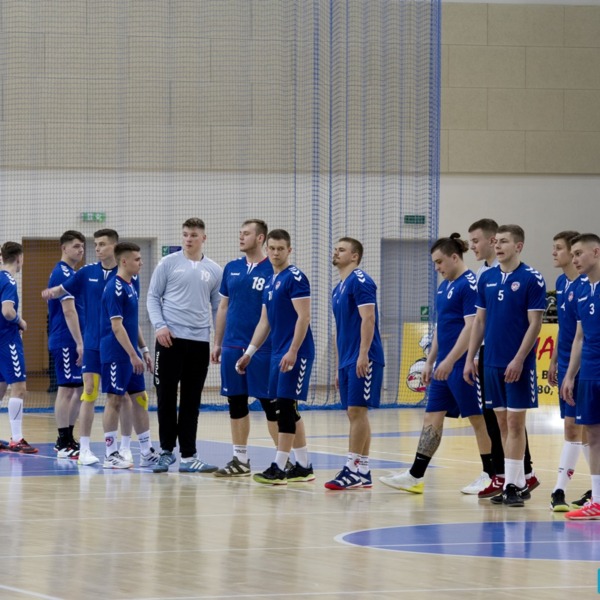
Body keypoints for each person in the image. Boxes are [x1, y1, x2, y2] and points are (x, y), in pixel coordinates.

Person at [380, 234, 492, 494]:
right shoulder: (444, 287)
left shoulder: (469, 285)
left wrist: (451, 360)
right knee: (432, 416)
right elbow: (442, 327)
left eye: (440, 262)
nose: (437, 267)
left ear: (455, 257)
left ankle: (490, 474)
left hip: (463, 366)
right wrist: (430, 361)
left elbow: (471, 327)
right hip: (443, 365)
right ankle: (415, 475)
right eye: (434, 263)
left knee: (478, 419)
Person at [464, 224, 546, 507]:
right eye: (496, 241)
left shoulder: (531, 278)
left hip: (518, 364)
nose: (498, 246)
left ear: (518, 246)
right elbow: (479, 321)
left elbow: (535, 324)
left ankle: (512, 483)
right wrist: (471, 358)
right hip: (491, 363)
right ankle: (518, 482)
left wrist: (519, 359)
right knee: (500, 423)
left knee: (515, 423)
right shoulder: (486, 277)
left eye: (504, 242)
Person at [42, 229, 135, 466]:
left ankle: (123, 449)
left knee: (122, 396)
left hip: (115, 345)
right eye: (96, 244)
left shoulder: (126, 276)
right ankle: (83, 449)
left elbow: (131, 316)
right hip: (93, 344)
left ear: (114, 247)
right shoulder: (86, 272)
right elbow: (64, 289)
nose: (96, 249)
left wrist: (140, 349)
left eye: (102, 244)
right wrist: (52, 292)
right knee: (89, 392)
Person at [236, 229, 315, 485]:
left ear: (289, 250)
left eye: (281, 249)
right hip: (277, 353)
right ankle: (303, 466)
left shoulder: (295, 277)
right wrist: (250, 352)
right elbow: (265, 322)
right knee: (287, 409)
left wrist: (293, 350)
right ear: (267, 249)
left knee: (285, 408)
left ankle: (279, 467)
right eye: (272, 248)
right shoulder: (270, 281)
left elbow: (304, 317)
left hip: (295, 352)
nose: (276, 253)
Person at [147, 218, 223, 473]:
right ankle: (166, 451)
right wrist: (160, 326)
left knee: (192, 400)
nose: (188, 239)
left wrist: (218, 341)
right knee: (166, 397)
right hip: (169, 340)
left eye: (193, 235)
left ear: (204, 238)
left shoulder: (215, 270)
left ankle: (189, 456)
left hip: (199, 342)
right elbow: (152, 297)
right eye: (185, 234)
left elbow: (218, 308)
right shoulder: (168, 263)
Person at [211, 219, 279, 477]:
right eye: (240, 233)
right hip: (232, 345)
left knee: (271, 405)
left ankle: (283, 461)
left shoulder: (272, 269)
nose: (241, 237)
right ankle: (240, 460)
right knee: (236, 403)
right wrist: (218, 342)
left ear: (260, 238)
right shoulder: (232, 268)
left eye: (246, 233)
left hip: (263, 349)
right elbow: (223, 307)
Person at [325, 237, 384, 490]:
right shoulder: (337, 289)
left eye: (342, 250)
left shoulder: (361, 280)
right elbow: (341, 330)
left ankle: (351, 469)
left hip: (364, 357)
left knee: (357, 412)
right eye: (335, 249)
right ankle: (363, 470)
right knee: (354, 413)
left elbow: (368, 318)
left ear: (355, 256)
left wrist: (363, 354)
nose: (336, 252)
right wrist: (339, 366)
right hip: (347, 359)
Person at [100, 242, 157, 469]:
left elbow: (132, 323)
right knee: (114, 399)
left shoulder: (132, 284)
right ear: (124, 261)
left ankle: (146, 451)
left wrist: (144, 350)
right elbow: (117, 327)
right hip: (116, 354)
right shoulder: (114, 287)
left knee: (140, 397)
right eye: (137, 259)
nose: (141, 263)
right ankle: (110, 454)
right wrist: (133, 355)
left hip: (132, 353)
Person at [547, 231, 590, 512]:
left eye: (559, 248)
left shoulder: (587, 284)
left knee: (577, 427)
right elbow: (564, 328)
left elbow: (582, 335)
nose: (555, 253)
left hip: (584, 365)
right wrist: (553, 361)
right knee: (580, 430)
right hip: (565, 363)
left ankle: (559, 490)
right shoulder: (562, 282)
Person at [560, 234, 600, 519]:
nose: (574, 259)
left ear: (596, 252)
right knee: (593, 435)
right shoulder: (582, 290)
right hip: (588, 373)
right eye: (572, 254)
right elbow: (579, 337)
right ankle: (597, 500)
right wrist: (570, 375)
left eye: (578, 253)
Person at [46, 231, 86, 459]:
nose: (81, 250)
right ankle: (62, 441)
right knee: (67, 389)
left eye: (82, 246)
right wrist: (79, 342)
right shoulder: (62, 273)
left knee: (78, 389)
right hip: (65, 339)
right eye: (76, 246)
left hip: (75, 339)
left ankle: (69, 438)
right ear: (64, 248)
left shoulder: (73, 274)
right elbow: (68, 311)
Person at [0, 242, 37, 453]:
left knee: (1, 388)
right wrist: (20, 321)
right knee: (19, 388)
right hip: (8, 341)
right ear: (19, 258)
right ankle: (17, 439)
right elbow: (7, 311)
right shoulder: (9, 281)